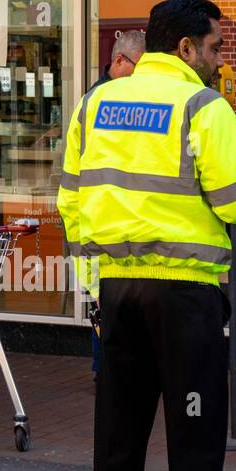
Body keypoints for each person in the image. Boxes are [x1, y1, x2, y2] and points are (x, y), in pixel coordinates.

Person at [57, 0, 236, 471]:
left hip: (118, 293)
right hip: (185, 300)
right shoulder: (202, 107)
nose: (220, 57)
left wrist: (92, 282)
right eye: (215, 46)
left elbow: (70, 199)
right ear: (185, 48)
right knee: (196, 445)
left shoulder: (96, 103)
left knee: (117, 442)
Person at [84, 29, 147, 384]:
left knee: (112, 301)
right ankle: (104, 369)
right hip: (105, 219)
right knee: (103, 301)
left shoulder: (122, 95)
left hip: (120, 218)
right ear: (119, 60)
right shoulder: (100, 100)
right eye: (138, 66)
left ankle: (112, 367)